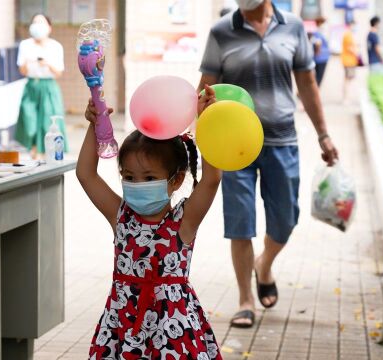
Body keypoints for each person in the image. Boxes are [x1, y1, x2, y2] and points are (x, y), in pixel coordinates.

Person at [198, 0, 338, 328]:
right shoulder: (221, 31)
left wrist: (324, 135)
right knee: (240, 222)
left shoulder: (293, 26)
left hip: (282, 138)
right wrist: (201, 131)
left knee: (286, 219)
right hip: (234, 145)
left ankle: (264, 265)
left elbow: (307, 83)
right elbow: (204, 89)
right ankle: (245, 300)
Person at [79, 87, 223, 359]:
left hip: (173, 332)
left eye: (147, 178)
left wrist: (205, 121)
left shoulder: (184, 221)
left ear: (176, 180)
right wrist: (93, 125)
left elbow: (212, 179)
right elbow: (86, 174)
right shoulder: (120, 216)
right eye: (129, 177)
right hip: (123, 328)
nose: (136, 185)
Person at [14, 14, 68, 160]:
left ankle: (46, 156)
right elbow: (22, 71)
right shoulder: (25, 45)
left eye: (41, 23)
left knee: (48, 123)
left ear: (49, 27)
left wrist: (47, 64)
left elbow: (58, 73)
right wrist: (27, 62)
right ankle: (33, 153)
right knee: (29, 122)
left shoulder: (55, 46)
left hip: (49, 86)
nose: (37, 26)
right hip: (31, 85)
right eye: (35, 22)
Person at [341, 19, 359, 104]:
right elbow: (350, 48)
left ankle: (347, 98)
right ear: (351, 25)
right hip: (348, 61)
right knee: (347, 80)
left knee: (348, 80)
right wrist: (357, 53)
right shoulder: (348, 35)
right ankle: (346, 99)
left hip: (350, 61)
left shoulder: (350, 35)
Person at [310, 16, 330, 86]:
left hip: (319, 58)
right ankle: (314, 94)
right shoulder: (318, 33)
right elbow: (318, 44)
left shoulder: (317, 33)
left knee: (316, 77)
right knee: (318, 77)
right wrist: (317, 53)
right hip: (320, 58)